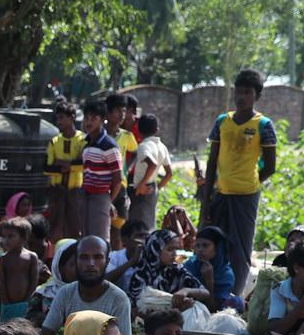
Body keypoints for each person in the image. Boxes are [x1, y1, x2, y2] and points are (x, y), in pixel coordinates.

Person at [203, 70, 277, 296]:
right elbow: (212, 161)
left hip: (246, 196)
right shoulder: (222, 122)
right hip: (221, 193)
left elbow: (270, 166)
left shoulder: (263, 125)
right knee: (213, 244)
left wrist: (250, 182)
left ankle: (233, 297)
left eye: (247, 92)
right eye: (239, 92)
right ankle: (211, 292)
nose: (241, 97)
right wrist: (206, 197)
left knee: (240, 249)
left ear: (257, 96)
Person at [42, 235, 133, 335]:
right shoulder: (66, 293)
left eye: (98, 257)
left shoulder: (118, 299)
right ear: (76, 261)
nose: (91, 264)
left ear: (107, 262)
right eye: (84, 257)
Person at [125, 228, 208, 309]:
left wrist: (187, 291)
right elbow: (135, 309)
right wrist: (175, 307)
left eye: (176, 249)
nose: (174, 254)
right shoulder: (141, 275)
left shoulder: (176, 270)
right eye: (170, 249)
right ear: (156, 249)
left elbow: (206, 293)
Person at [76, 101, 123, 244]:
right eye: (86, 118)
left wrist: (108, 201)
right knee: (85, 238)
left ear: (102, 120)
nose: (88, 122)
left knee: (100, 240)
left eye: (93, 118)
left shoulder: (109, 146)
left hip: (100, 196)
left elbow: (118, 179)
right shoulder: (86, 143)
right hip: (85, 195)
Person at [0, 218, 43, 322]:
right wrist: (6, 302)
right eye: (4, 236)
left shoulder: (31, 257)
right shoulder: (3, 259)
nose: (6, 240)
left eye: (11, 236)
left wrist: (28, 299)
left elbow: (33, 280)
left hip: (26, 303)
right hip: (8, 304)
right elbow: (2, 282)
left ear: (24, 238)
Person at [128, 114, 172, 234]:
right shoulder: (161, 146)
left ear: (138, 129)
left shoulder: (144, 146)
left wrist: (141, 185)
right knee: (148, 224)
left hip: (142, 191)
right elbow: (169, 174)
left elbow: (152, 164)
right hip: (152, 188)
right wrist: (157, 187)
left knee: (139, 229)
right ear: (157, 129)